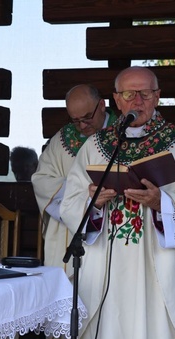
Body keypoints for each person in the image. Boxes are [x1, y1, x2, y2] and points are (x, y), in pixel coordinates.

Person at [60, 67, 175, 339]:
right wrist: (94, 202)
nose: (137, 101)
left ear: (157, 96)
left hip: (161, 267)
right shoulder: (95, 146)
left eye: (145, 93)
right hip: (106, 269)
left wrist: (164, 202)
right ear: (116, 99)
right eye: (129, 93)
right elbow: (71, 203)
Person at [32, 84, 117, 278]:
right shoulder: (61, 140)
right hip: (68, 234)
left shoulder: (122, 136)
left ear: (102, 105)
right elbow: (41, 179)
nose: (83, 126)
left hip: (108, 232)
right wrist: (79, 195)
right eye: (76, 120)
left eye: (87, 118)